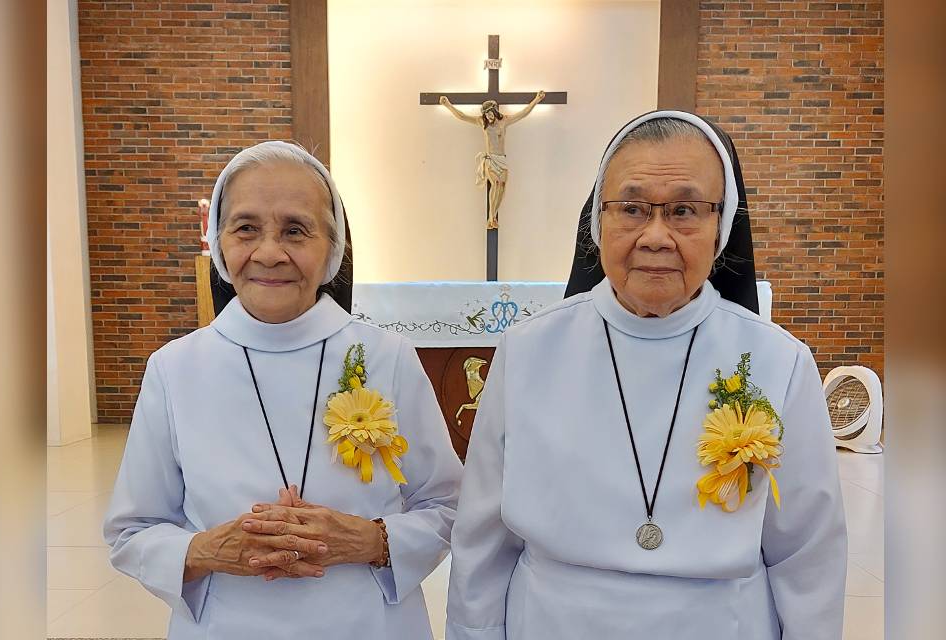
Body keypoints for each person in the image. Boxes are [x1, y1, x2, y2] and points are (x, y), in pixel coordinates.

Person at [445, 110, 846, 640]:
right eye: (631, 208)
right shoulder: (527, 352)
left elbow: (808, 554)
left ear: (721, 225)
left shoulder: (778, 361)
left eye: (684, 210)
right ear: (598, 221)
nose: (656, 236)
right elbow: (482, 543)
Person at [104, 140, 462, 640]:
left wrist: (370, 539)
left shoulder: (388, 357)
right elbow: (132, 531)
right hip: (227, 624)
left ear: (332, 248)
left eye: (295, 230)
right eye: (246, 228)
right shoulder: (174, 368)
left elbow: (448, 506)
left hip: (366, 623)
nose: (269, 253)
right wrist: (208, 549)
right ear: (219, 241)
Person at [439, 91, 546, 228]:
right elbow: (462, 116)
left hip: (502, 159)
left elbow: (523, 113)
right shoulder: (481, 122)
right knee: (495, 183)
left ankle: (493, 216)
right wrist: (447, 104)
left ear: (495, 112)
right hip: (490, 159)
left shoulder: (504, 121)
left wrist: (536, 100)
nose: (488, 116)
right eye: (486, 114)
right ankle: (491, 217)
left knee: (502, 186)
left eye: (490, 113)